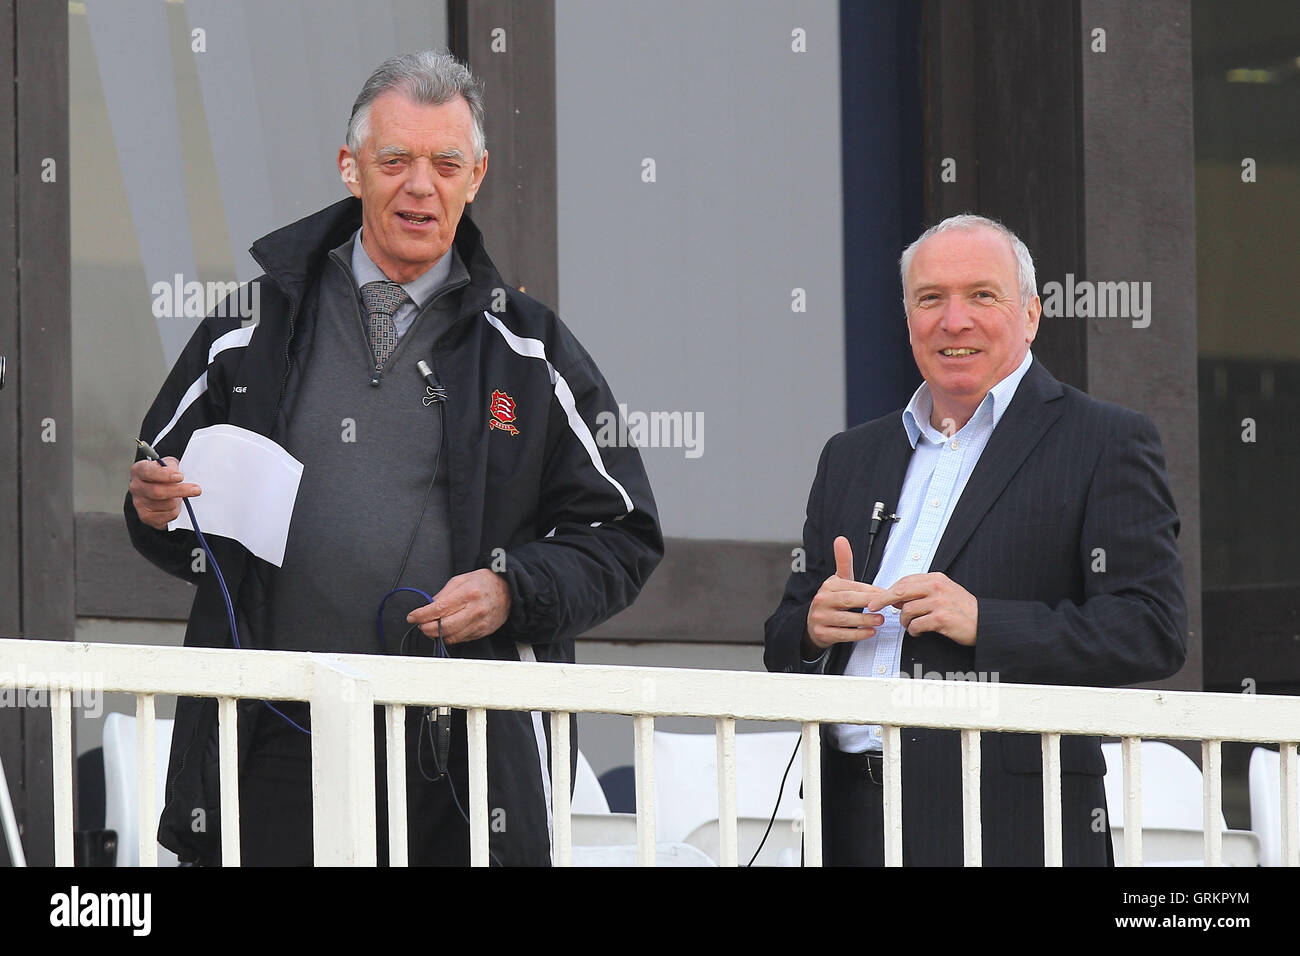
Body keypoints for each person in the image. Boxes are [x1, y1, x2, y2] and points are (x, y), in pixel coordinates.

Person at [125, 51, 662, 866]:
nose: (422, 185)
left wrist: (513, 587)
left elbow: (623, 536)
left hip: (462, 757)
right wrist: (153, 508)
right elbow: (167, 499)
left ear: (475, 177)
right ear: (350, 169)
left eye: (447, 163)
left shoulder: (530, 350)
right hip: (275, 740)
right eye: (395, 160)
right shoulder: (252, 324)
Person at [764, 214, 1187, 866]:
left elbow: (1152, 629)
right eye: (930, 299)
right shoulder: (851, 455)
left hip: (1007, 823)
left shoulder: (1104, 442)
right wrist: (813, 627)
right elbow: (783, 636)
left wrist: (985, 623)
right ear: (908, 320)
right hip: (844, 817)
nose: (953, 320)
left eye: (981, 296)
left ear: (1032, 315)